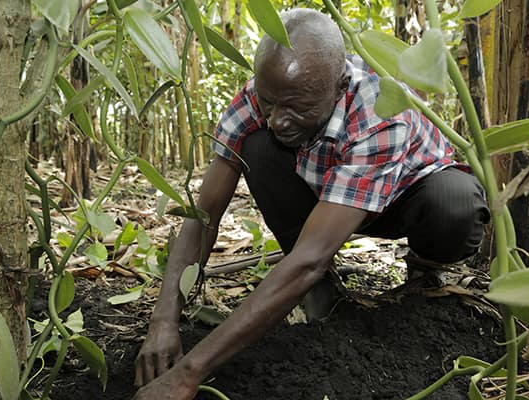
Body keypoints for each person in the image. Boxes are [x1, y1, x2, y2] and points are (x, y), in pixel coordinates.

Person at [133, 8, 489, 400]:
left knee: (455, 205)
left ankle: (426, 270)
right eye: (270, 103)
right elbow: (203, 216)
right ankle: (320, 291)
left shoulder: (378, 114)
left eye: (298, 108)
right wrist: (163, 319)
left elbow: (310, 258)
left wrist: (190, 371)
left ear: (339, 87)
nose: (278, 120)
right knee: (258, 147)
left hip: (407, 197)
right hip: (328, 196)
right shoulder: (262, 95)